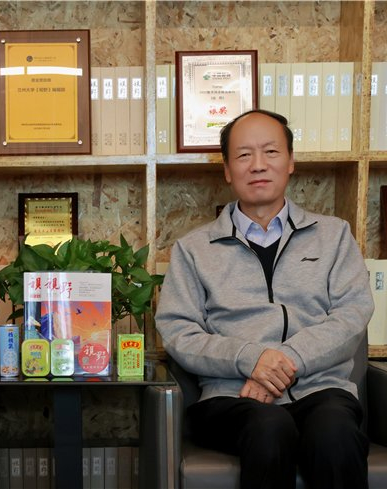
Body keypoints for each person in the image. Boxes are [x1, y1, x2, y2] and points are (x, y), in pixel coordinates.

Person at [155, 109, 373, 489]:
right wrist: (250, 359)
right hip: (231, 396)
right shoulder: (194, 249)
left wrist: (284, 362)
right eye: (244, 155)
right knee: (270, 426)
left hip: (321, 390)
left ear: (291, 162)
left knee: (334, 434)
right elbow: (178, 331)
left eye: (271, 152)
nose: (258, 164)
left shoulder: (334, 235)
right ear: (227, 169)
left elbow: (352, 313)